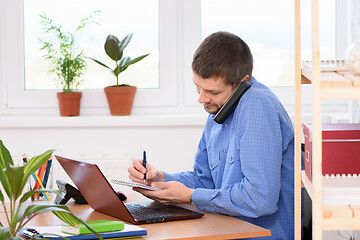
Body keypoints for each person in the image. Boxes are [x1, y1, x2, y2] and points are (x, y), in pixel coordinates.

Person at [128, 31, 294, 239]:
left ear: (243, 81)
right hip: (224, 230)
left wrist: (188, 196)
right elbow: (205, 180)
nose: (202, 99)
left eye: (213, 92)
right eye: (198, 88)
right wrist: (160, 180)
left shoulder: (257, 105)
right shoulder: (218, 109)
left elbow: (260, 198)